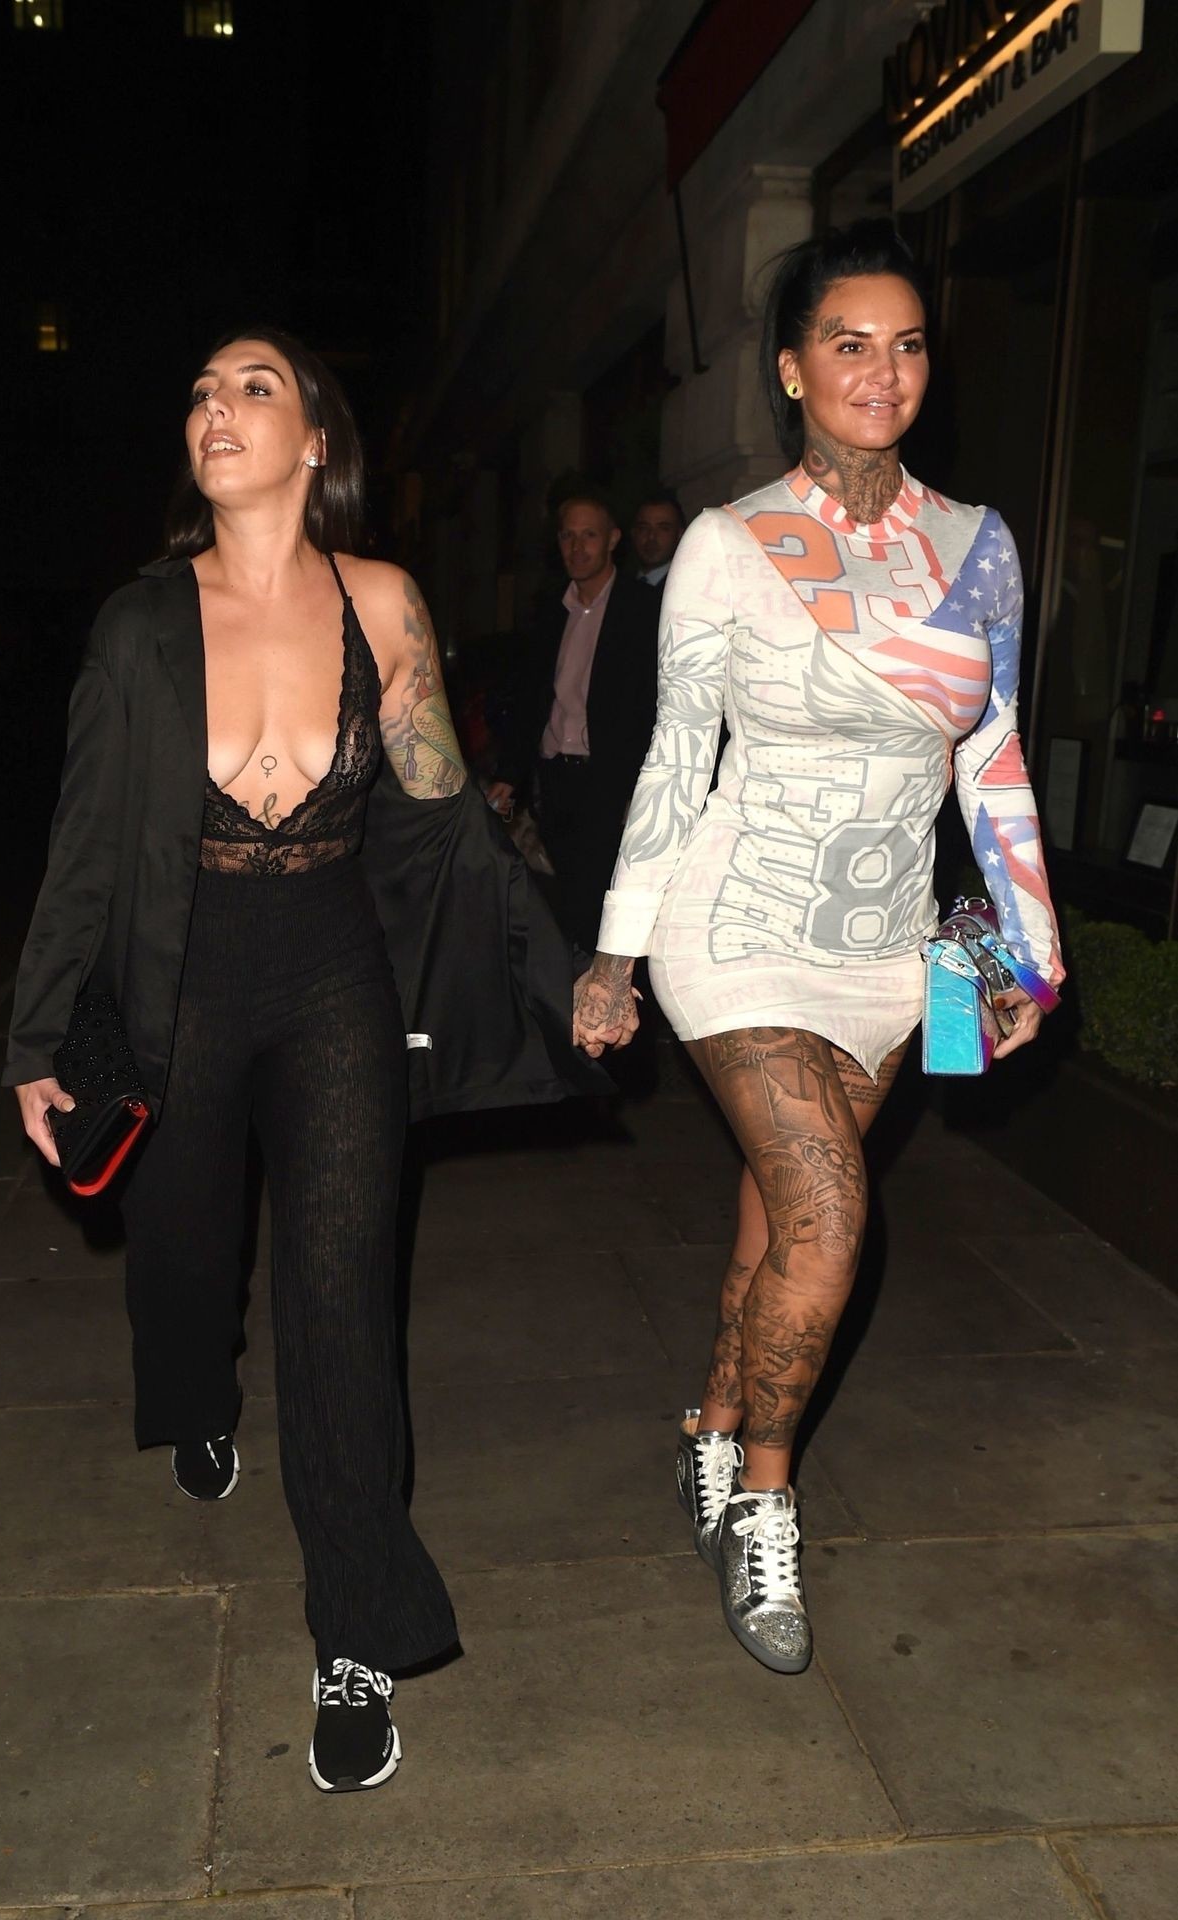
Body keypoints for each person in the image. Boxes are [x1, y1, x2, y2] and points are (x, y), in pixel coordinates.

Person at [4, 328, 596, 1795]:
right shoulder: (140, 625)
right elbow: (85, 846)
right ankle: (196, 1396)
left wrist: (565, 965)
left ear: (314, 438)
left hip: (334, 969)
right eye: (200, 392)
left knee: (340, 1300)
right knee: (181, 1251)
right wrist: (37, 1037)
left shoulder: (381, 600)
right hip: (180, 978)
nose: (216, 408)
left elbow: (445, 811)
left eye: (252, 387)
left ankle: (356, 1627)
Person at [572, 221, 1064, 1674]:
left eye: (906, 344)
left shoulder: (978, 546)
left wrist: (1026, 954)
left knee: (779, 1228)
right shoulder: (727, 547)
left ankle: (711, 1431)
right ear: (791, 369)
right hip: (736, 925)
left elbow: (994, 758)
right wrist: (615, 952)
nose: (881, 370)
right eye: (849, 343)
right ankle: (765, 1513)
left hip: (888, 951)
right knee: (834, 1218)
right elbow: (677, 756)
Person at [487, 491, 659, 951]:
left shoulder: (641, 609)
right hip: (555, 778)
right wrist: (510, 774)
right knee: (562, 900)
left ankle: (594, 987)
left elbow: (652, 703)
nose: (577, 547)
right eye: (568, 536)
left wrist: (641, 788)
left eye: (589, 536)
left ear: (612, 540)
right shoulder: (550, 609)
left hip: (608, 782)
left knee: (600, 906)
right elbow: (532, 698)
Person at [629, 487, 686, 588]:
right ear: (634, 533)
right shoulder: (617, 585)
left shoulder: (687, 587)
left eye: (663, 529)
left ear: (679, 535)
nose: (651, 536)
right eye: (644, 528)